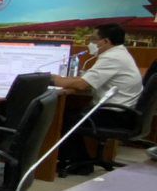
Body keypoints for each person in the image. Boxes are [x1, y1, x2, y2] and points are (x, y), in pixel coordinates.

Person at [52, 23, 144, 171]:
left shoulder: (112, 58)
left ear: (106, 41)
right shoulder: (120, 54)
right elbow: (86, 81)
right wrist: (68, 83)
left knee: (62, 118)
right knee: (70, 113)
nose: (91, 43)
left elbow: (82, 85)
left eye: (94, 39)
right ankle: (80, 160)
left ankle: (80, 164)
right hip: (123, 112)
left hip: (116, 114)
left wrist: (51, 79)